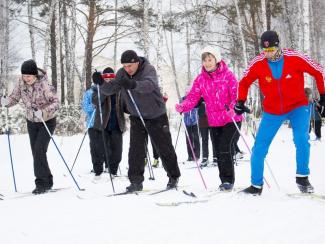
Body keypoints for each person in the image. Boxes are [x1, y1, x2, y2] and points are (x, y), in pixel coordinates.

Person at [234, 30, 325, 195]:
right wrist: (240, 100)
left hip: (298, 107)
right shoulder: (258, 63)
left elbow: (318, 70)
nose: (268, 54)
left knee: (301, 139)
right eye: (265, 50)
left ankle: (302, 177)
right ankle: (256, 186)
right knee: (259, 147)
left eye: (271, 50)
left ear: (278, 46)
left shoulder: (295, 57)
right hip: (273, 111)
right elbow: (244, 82)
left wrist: (323, 95)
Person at [92, 50, 181, 192]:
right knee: (135, 150)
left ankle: (173, 176)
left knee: (163, 147)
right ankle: (135, 181)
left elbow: (149, 85)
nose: (127, 69)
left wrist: (132, 84)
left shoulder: (148, 69)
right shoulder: (122, 73)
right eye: (124, 66)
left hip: (156, 115)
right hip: (136, 116)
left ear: (137, 62)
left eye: (130, 66)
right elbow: (111, 89)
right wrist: (101, 83)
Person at [175, 46, 243, 191]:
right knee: (218, 150)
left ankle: (228, 180)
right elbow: (193, 97)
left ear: (216, 60)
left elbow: (236, 95)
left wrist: (233, 107)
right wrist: (183, 106)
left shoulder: (228, 75)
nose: (207, 63)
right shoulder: (201, 79)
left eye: (210, 59)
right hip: (214, 120)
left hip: (231, 119)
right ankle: (224, 180)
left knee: (225, 147)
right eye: (205, 60)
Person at [0, 59, 59, 194]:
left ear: (35, 75)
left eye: (29, 76)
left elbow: (56, 103)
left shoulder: (44, 84)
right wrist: (4, 102)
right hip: (31, 121)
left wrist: (43, 112)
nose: (26, 79)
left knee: (39, 150)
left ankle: (41, 184)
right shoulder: (21, 83)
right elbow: (14, 98)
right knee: (36, 152)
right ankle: (48, 180)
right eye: (24, 76)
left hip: (47, 121)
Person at [82, 67, 125, 179]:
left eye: (111, 78)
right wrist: (105, 89)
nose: (108, 80)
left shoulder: (119, 90)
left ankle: (113, 171)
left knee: (117, 150)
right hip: (101, 124)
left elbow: (125, 105)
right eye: (106, 78)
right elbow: (95, 101)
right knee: (99, 149)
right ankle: (98, 171)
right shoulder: (97, 89)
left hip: (117, 123)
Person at [197, 98, 217, 167]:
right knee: (204, 139)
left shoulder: (212, 91)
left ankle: (216, 157)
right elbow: (194, 104)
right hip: (203, 119)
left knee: (214, 139)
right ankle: (205, 158)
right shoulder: (199, 94)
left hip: (212, 118)